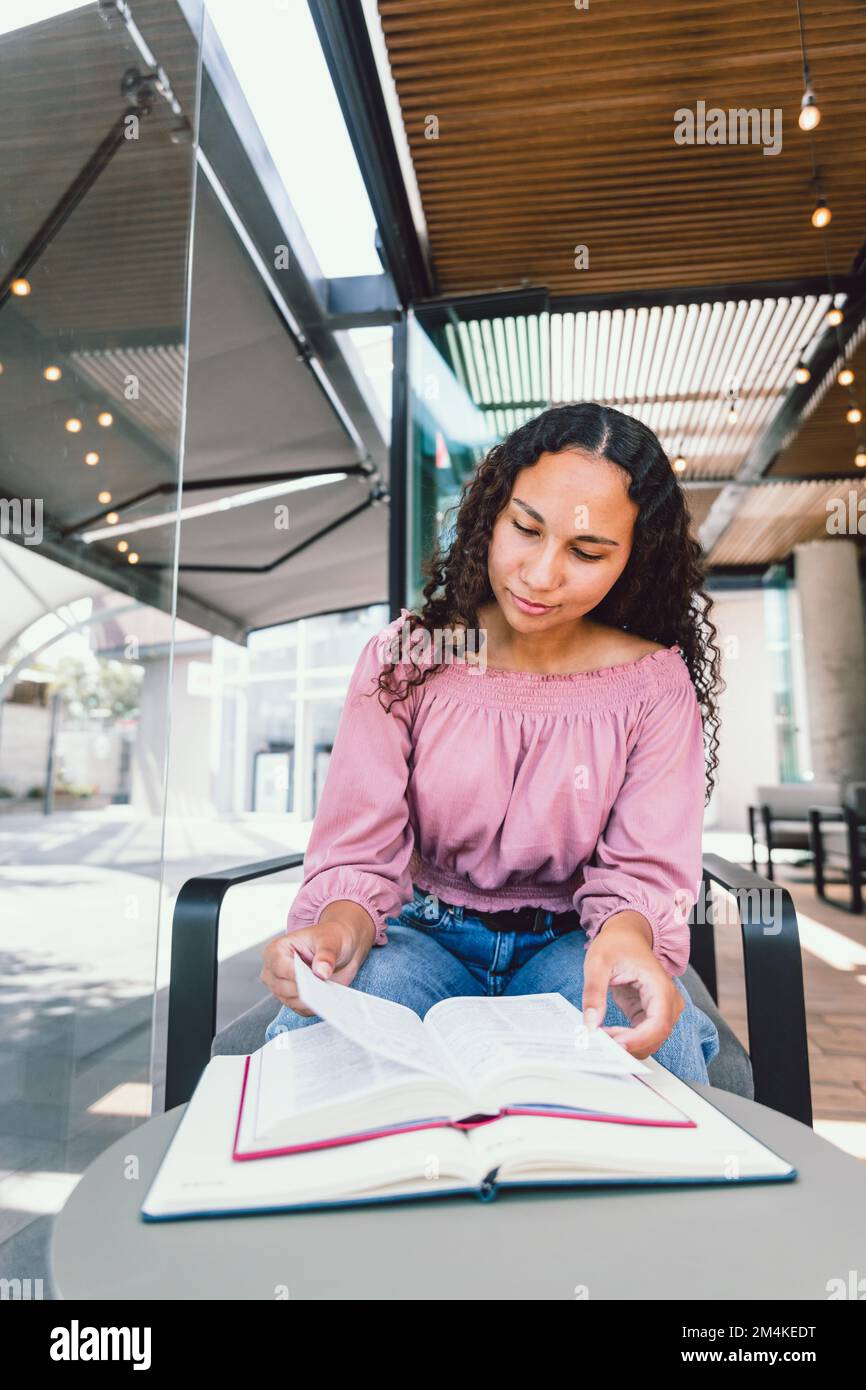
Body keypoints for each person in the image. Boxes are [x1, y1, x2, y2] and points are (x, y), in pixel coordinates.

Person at [260, 402, 723, 1082]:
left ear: (635, 556)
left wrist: (627, 940)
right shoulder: (409, 658)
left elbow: (644, 872)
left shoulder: (652, 685)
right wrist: (337, 930)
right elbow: (359, 851)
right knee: (322, 1044)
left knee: (646, 1049)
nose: (540, 576)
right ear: (494, 513)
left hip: (575, 946)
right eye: (526, 529)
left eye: (587, 552)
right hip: (418, 936)